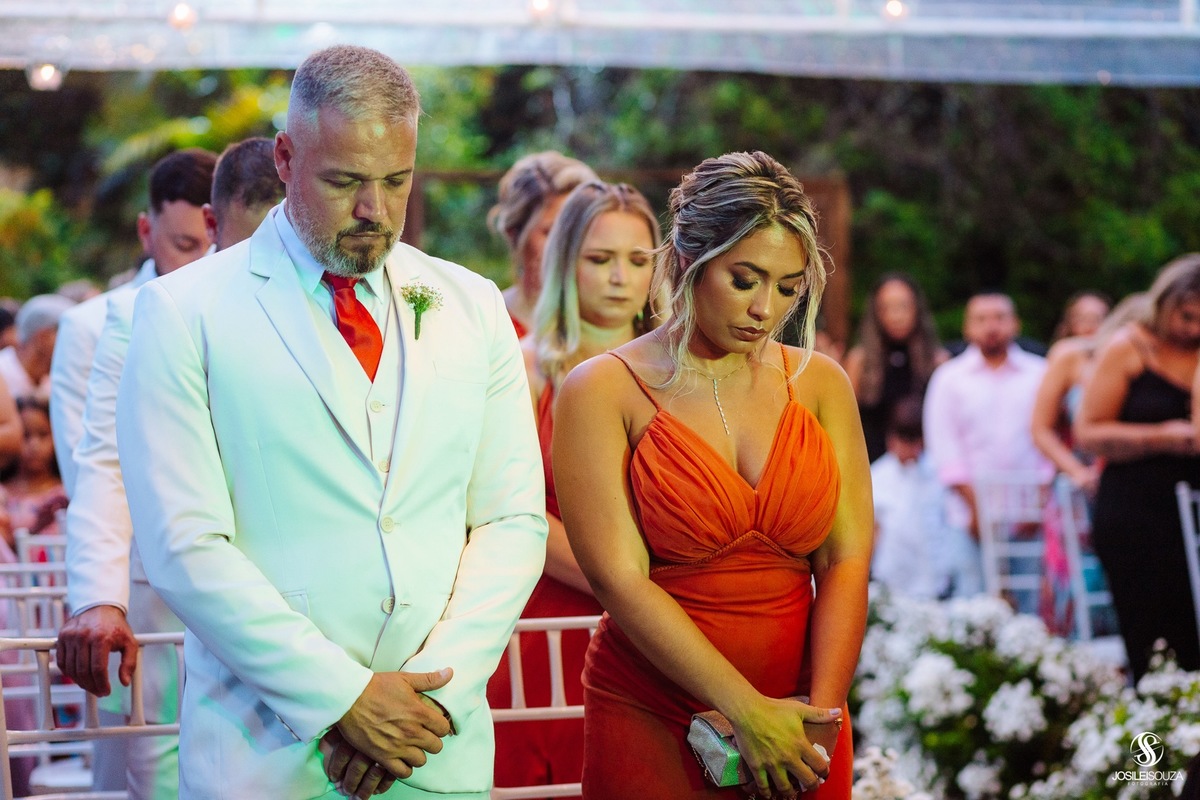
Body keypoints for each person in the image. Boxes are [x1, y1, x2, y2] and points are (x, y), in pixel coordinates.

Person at [115, 45, 546, 799]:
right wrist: (343, 699)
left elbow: (512, 519)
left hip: (435, 751)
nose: (375, 210)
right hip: (264, 755)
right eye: (344, 182)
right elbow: (184, 544)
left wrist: (430, 700)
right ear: (286, 159)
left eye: (396, 180)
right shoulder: (185, 312)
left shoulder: (473, 305)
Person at [554, 151, 871, 799]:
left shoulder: (821, 383)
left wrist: (821, 715)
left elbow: (846, 559)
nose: (765, 309)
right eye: (745, 279)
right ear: (686, 260)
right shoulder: (601, 389)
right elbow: (618, 579)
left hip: (805, 716)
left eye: (788, 288)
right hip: (654, 710)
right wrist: (747, 711)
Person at [55, 137, 283, 799]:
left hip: (280, 591)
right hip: (158, 597)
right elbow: (103, 463)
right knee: (149, 767)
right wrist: (99, 596)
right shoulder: (135, 313)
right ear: (214, 226)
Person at [488, 180, 663, 796]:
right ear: (565, 262)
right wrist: (624, 584)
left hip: (665, 625)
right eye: (600, 259)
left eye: (638, 260)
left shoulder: (685, 372)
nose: (620, 278)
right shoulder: (521, 367)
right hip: (547, 621)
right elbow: (502, 509)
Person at [49, 148, 216, 496]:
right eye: (185, 245)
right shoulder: (87, 328)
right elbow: (89, 481)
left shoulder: (242, 316)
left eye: (214, 246)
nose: (203, 262)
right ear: (145, 231)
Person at [1076, 254, 1200, 681]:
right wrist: (1160, 437)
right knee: (1151, 637)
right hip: (1136, 513)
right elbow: (1088, 431)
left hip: (1192, 511)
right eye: (1186, 316)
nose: (1193, 329)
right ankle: (1154, 722)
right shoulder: (1128, 347)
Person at [923, 293, 1051, 542]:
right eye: (981, 319)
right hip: (965, 518)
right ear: (967, 328)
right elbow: (944, 446)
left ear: (1016, 323)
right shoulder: (948, 378)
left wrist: (1038, 503)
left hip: (1035, 516)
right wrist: (975, 509)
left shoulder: (1040, 373)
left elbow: (1052, 436)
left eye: (1000, 318)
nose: (991, 327)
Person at [870, 395, 971, 600]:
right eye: (904, 441)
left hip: (934, 583)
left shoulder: (937, 472)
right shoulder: (877, 475)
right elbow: (873, 530)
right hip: (891, 583)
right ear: (891, 439)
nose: (910, 450)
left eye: (915, 442)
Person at [488, 151, 598, 337]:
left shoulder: (626, 323)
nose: (571, 246)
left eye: (584, 231)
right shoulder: (488, 322)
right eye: (553, 233)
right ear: (514, 233)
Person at [843, 273, 948, 462]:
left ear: (917, 309)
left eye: (903, 307)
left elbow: (948, 422)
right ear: (875, 313)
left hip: (927, 465)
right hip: (873, 465)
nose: (896, 316)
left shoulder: (938, 361)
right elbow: (846, 422)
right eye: (886, 308)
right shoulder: (859, 361)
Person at [3, 397, 67, 545]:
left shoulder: (64, 493)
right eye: (26, 435)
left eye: (43, 434)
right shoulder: (4, 495)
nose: (34, 445)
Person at [0, 293, 74, 400]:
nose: (77, 343)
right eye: (71, 334)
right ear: (43, 337)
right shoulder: (3, 374)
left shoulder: (55, 381)